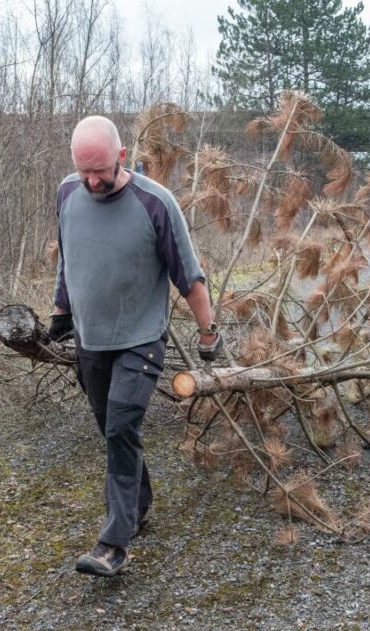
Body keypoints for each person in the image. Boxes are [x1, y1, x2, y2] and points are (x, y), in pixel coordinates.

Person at [50, 115, 222, 577]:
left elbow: (189, 276)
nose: (92, 181)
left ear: (122, 157)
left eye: (100, 171)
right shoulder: (66, 194)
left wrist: (208, 333)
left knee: (121, 427)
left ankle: (114, 544)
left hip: (141, 340)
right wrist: (61, 311)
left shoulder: (155, 203)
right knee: (112, 430)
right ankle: (138, 505)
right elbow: (68, 257)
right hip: (91, 340)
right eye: (84, 171)